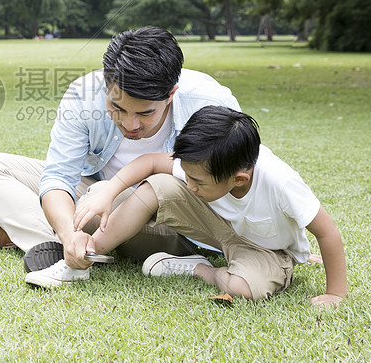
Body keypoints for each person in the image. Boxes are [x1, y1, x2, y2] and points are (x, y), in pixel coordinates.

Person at [0, 26, 241, 272]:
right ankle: (54, 244)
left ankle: (29, 232)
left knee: (99, 195)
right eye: (118, 108)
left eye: (145, 113)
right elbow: (59, 178)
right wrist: (67, 233)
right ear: (107, 85)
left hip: (172, 220)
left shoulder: (210, 102)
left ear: (170, 95)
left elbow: (235, 180)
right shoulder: (83, 95)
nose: (130, 124)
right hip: (98, 196)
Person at [25, 106, 348, 308]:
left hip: (265, 249)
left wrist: (335, 293)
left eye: (198, 182)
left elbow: (328, 233)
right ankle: (84, 258)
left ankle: (197, 268)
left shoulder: (281, 183)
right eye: (188, 176)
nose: (189, 184)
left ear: (238, 179)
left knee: (244, 289)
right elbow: (150, 162)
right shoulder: (207, 162)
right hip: (216, 225)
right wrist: (109, 190)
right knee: (158, 185)